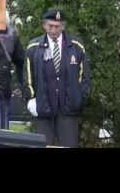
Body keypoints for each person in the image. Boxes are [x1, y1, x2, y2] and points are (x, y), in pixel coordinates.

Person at [22, 8, 91, 147]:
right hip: (43, 110)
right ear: (44, 25)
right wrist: (31, 99)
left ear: (63, 26)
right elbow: (27, 77)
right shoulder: (33, 48)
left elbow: (84, 78)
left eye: (57, 26)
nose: (53, 30)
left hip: (68, 111)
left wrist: (78, 99)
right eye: (50, 26)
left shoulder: (76, 47)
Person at [0, 16, 25, 129]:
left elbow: (21, 62)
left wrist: (19, 85)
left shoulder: (12, 36)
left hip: (1, 93)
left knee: (1, 135)